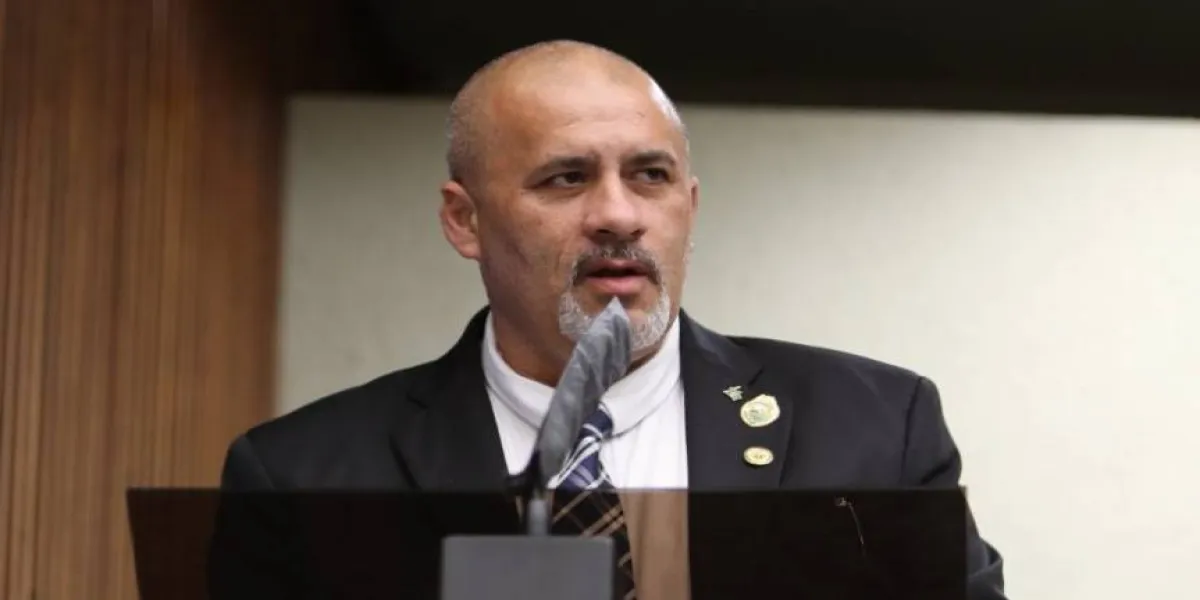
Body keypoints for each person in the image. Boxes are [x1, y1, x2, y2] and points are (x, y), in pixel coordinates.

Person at [212, 40, 1006, 599]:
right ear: (465, 221)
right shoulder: (301, 479)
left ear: (689, 208)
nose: (619, 216)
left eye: (650, 175)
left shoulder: (875, 429)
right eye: (566, 178)